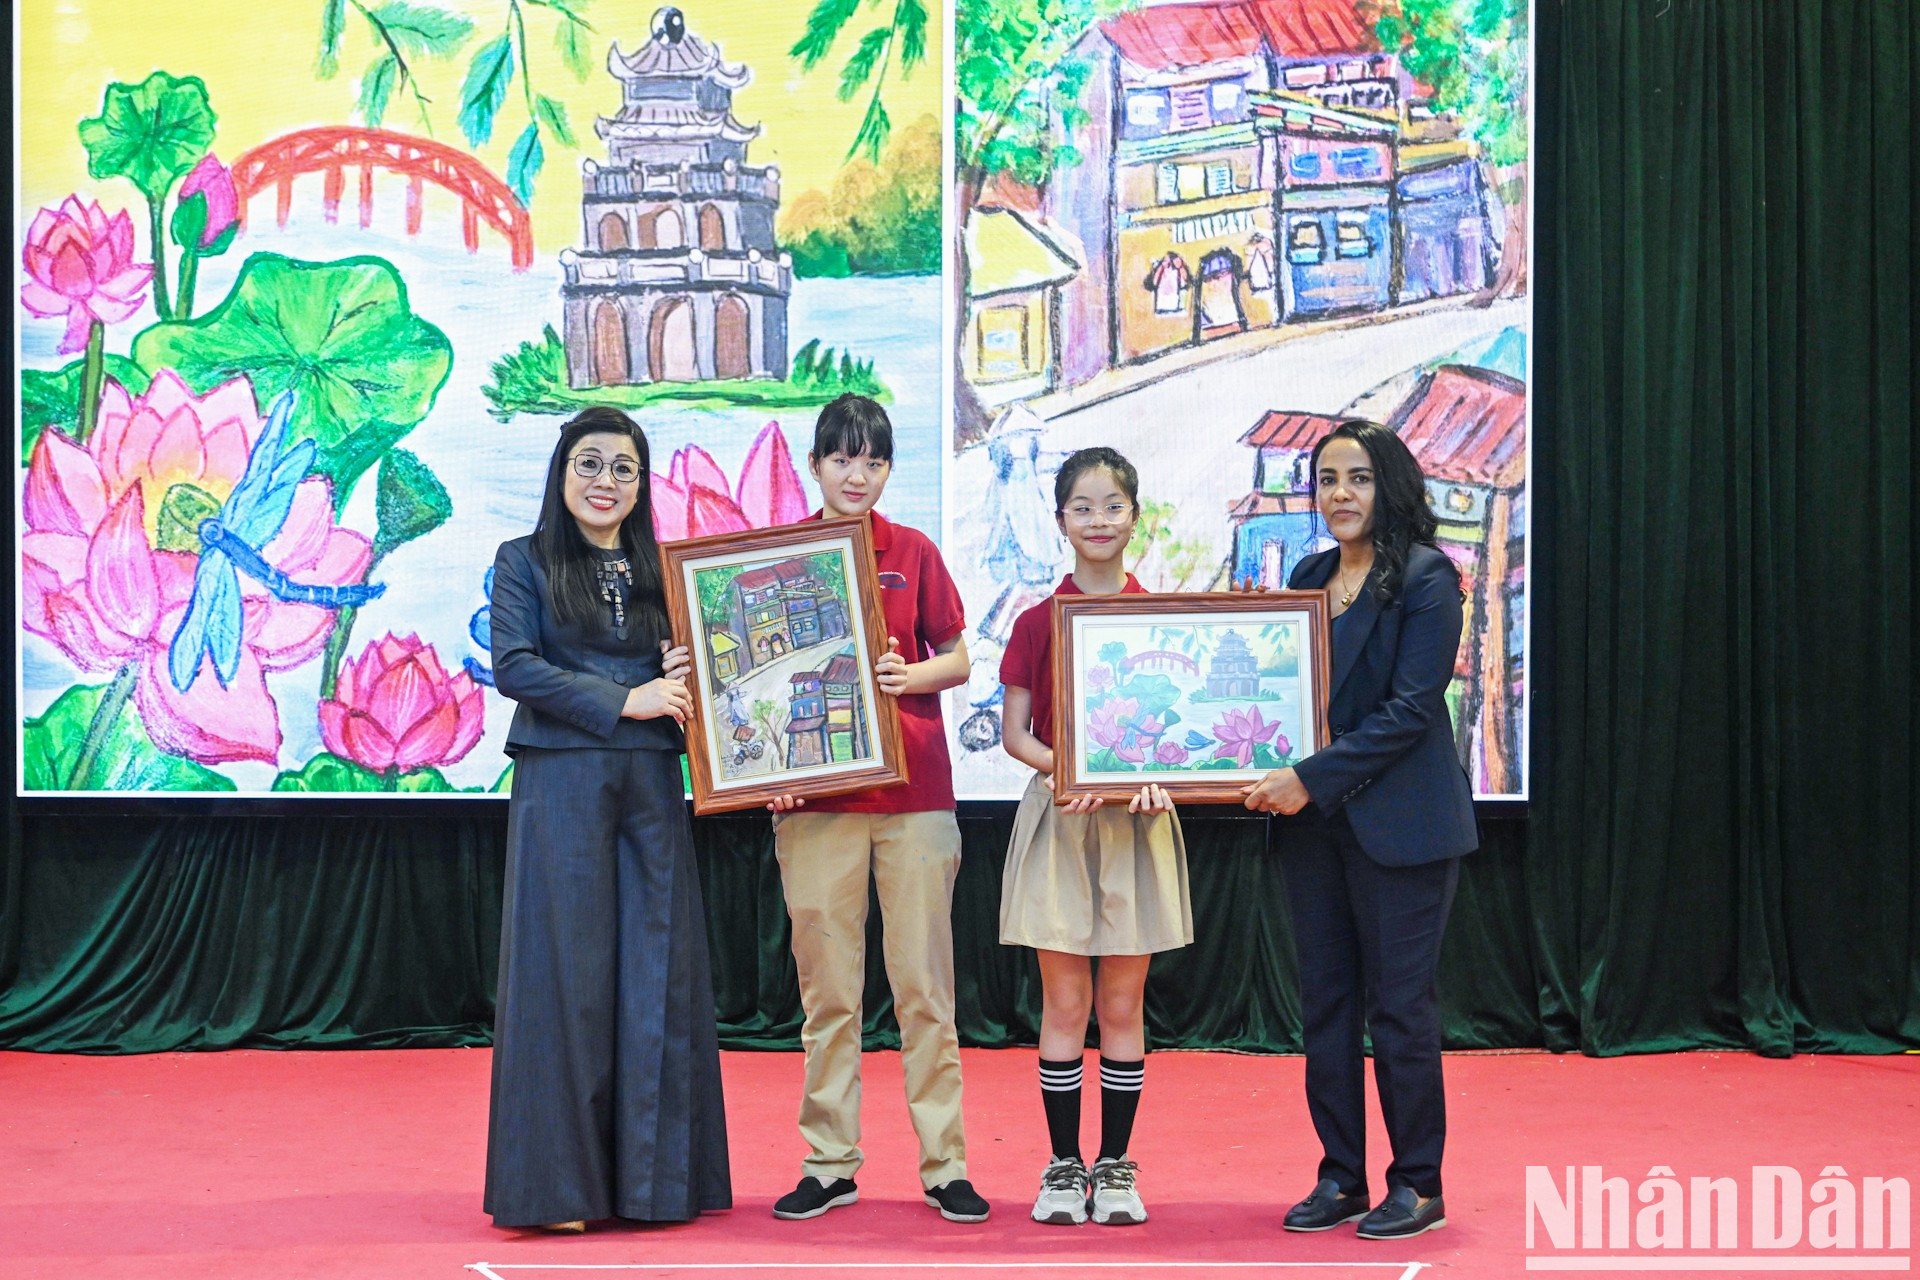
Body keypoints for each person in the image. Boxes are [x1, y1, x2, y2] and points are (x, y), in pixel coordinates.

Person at [484, 406, 731, 1231]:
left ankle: (656, 1188)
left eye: (623, 469)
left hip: (654, 784)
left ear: (639, 483)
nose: (606, 482)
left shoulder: (666, 570)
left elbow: (694, 678)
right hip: (563, 783)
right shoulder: (520, 562)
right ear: (562, 474)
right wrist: (625, 699)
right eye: (590, 464)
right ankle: (558, 1193)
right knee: (566, 980)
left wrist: (685, 668)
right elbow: (515, 666)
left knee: (657, 973)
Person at [1240, 420, 1477, 1242]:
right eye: (1328, 479)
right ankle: (1341, 1175)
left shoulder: (1425, 578)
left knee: (1401, 1010)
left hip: (1403, 828)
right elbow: (1286, 698)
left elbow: (1412, 713)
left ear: (1392, 486)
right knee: (1327, 1009)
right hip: (1315, 832)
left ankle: (1418, 1182)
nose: (1340, 494)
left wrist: (1306, 778)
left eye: (1359, 478)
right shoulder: (1309, 574)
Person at [765, 395, 990, 1225]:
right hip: (816, 805)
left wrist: (912, 679)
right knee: (829, 997)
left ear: (888, 470)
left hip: (915, 798)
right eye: (841, 459)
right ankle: (829, 1162)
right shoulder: (780, 557)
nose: (857, 475)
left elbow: (961, 656)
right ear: (815, 465)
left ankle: (946, 1164)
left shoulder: (915, 552)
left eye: (873, 461)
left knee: (925, 989)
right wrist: (758, 772)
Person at [997, 446, 1190, 1227]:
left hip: (1139, 825)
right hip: (1062, 817)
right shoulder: (1035, 621)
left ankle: (1115, 1166)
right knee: (1065, 1001)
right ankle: (1062, 1167)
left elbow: (1187, 739)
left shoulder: (1166, 619)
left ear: (1134, 516)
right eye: (1083, 506)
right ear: (1060, 521)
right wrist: (1064, 770)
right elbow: (1015, 733)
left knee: (1122, 1000)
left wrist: (1159, 775)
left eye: (1113, 505)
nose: (1099, 520)